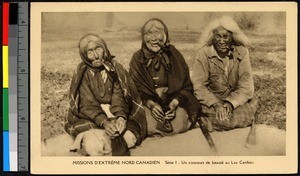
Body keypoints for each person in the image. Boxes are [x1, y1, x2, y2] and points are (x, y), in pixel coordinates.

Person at [64, 34, 147, 155]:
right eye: (90, 52)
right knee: (93, 144)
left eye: (98, 49)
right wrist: (104, 122)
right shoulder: (82, 73)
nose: (96, 55)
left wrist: (121, 117)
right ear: (84, 55)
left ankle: (104, 140)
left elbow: (119, 96)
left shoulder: (115, 69)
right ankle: (96, 139)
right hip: (91, 116)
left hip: (114, 113)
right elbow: (86, 104)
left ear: (105, 48)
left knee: (130, 137)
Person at [129, 18, 201, 136]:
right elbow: (135, 89)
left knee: (178, 124)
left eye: (158, 32)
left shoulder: (174, 54)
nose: (154, 38)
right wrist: (151, 105)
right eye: (149, 33)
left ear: (165, 34)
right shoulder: (137, 58)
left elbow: (186, 86)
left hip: (173, 102)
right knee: (146, 123)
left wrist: (173, 104)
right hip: (149, 104)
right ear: (143, 37)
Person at [191, 16, 259, 131]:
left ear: (233, 37)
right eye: (218, 36)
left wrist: (230, 103)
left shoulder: (242, 52)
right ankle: (250, 109)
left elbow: (246, 86)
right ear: (212, 37)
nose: (221, 41)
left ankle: (214, 122)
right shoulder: (202, 54)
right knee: (199, 110)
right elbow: (198, 85)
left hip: (234, 100)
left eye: (225, 36)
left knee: (238, 116)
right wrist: (216, 104)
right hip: (211, 101)